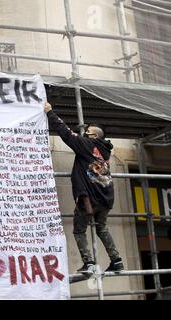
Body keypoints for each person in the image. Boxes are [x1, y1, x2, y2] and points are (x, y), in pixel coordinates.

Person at [44, 101, 124, 273]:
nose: (84, 134)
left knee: (79, 230)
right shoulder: (105, 150)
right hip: (106, 197)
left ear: (94, 137)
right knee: (101, 228)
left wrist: (50, 112)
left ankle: (89, 264)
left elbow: (65, 133)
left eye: (87, 132)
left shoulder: (87, 145)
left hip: (89, 196)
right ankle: (116, 261)